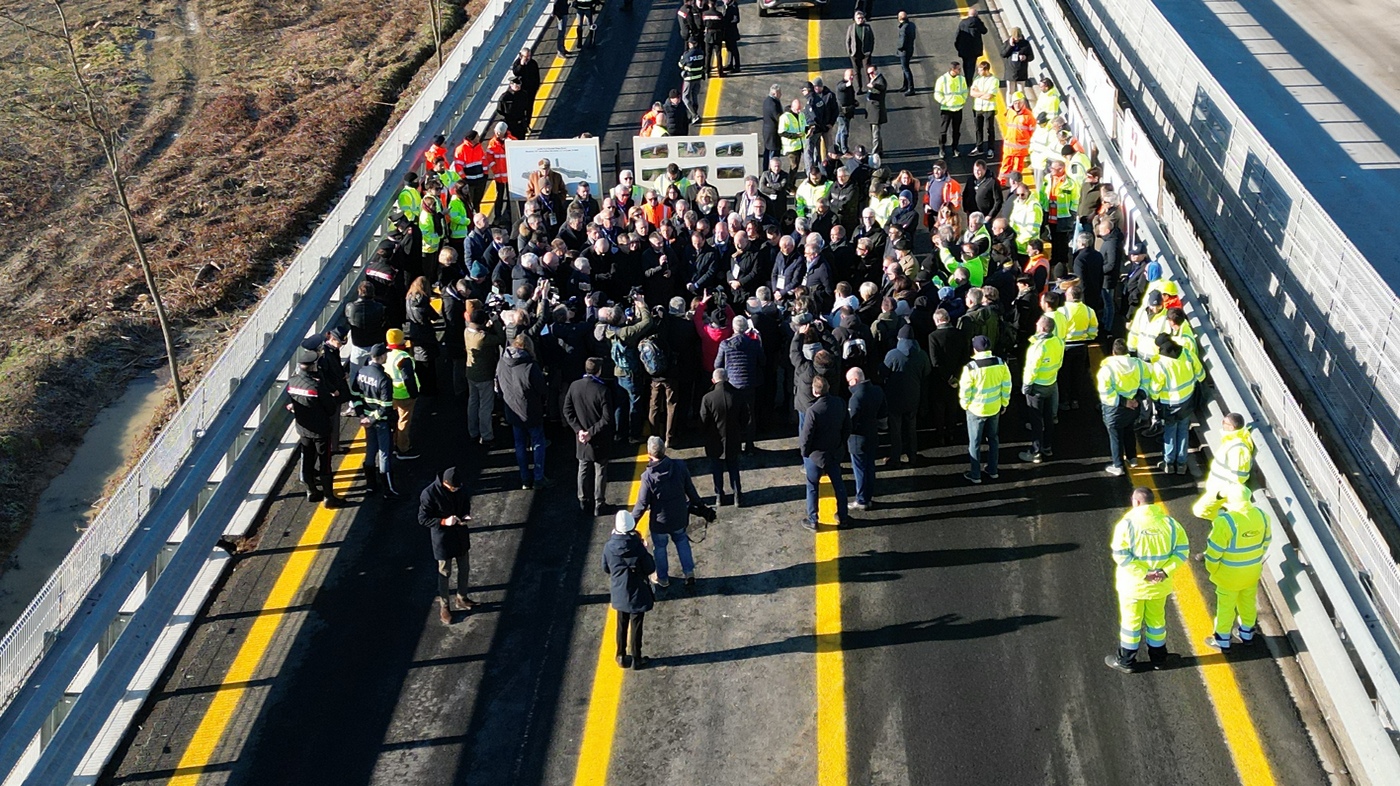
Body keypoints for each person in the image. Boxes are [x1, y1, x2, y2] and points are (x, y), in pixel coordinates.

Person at [1106, 487, 1189, 673]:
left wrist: (1143, 573)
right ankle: (1159, 659)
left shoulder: (1126, 525)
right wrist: (1164, 572)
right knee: (1157, 622)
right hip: (1159, 586)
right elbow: (1182, 551)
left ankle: (1126, 661)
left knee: (1131, 623)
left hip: (1132, 586)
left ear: (1136, 502)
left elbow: (1121, 555)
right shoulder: (1171, 524)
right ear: (1153, 502)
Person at [1201, 485, 1271, 651]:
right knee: (1248, 602)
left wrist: (1212, 569)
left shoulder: (1225, 521)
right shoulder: (1262, 516)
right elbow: (1266, 542)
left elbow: (1213, 553)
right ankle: (1247, 633)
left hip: (1228, 575)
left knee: (1226, 607)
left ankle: (1222, 640)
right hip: (1252, 571)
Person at [632, 437, 706, 589]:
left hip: (660, 522)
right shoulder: (679, 466)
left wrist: (630, 524)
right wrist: (701, 507)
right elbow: (690, 489)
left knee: (660, 548)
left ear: (649, 453)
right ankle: (689, 572)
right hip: (679, 516)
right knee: (682, 541)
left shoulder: (648, 477)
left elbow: (642, 504)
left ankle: (663, 578)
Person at [419, 466, 477, 625]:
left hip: (459, 534)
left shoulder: (460, 488)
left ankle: (462, 597)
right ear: (445, 483)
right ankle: (444, 606)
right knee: (445, 572)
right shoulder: (429, 493)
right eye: (453, 488)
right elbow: (423, 519)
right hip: (443, 537)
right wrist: (443, 521)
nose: (456, 490)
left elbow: (465, 502)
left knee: (464, 567)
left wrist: (465, 515)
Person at [287, 347, 341, 507]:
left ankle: (311, 491)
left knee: (307, 460)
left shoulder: (292, 383)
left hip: (303, 429)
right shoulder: (316, 386)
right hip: (321, 430)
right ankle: (329, 497)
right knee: (324, 462)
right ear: (313, 366)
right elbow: (330, 408)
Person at [603, 511, 655, 670]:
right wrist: (645, 550)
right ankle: (637, 658)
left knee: (621, 624)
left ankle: (620, 655)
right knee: (636, 625)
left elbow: (606, 568)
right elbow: (649, 568)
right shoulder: (638, 547)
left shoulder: (609, 547)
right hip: (637, 592)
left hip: (620, 591)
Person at [798, 375, 851, 531]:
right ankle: (843, 516)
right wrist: (841, 445)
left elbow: (806, 436)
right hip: (834, 453)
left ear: (815, 391)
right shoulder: (840, 403)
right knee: (839, 485)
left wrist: (805, 453)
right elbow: (847, 427)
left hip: (816, 456)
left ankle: (813, 519)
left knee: (813, 487)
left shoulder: (813, 411)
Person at [499, 334, 552, 490]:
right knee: (537, 442)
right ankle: (538, 477)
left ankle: (524, 479)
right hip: (530, 410)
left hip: (512, 409)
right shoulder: (530, 365)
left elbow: (499, 381)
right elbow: (542, 389)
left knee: (519, 444)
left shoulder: (502, 361)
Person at [564, 357, 615, 515]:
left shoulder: (574, 386)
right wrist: (590, 433)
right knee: (600, 470)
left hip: (581, 439)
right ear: (599, 371)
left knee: (583, 468)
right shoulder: (603, 390)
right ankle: (599, 503)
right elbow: (607, 418)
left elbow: (567, 411)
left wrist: (579, 430)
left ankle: (583, 500)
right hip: (599, 438)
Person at [958, 334, 1010, 483]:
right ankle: (993, 470)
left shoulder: (971, 368)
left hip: (976, 410)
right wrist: (1004, 403)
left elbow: (965, 390)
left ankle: (976, 474)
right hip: (994, 408)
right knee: (993, 439)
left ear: (975, 349)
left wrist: (965, 405)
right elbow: (1006, 385)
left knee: (974, 442)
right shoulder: (1001, 363)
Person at [353, 343, 399, 498]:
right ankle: (388, 488)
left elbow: (355, 395)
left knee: (370, 450)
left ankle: (371, 485)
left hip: (366, 419)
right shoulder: (384, 379)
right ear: (381, 357)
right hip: (380, 421)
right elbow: (386, 406)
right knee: (384, 453)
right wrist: (372, 419)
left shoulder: (361, 372)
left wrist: (362, 416)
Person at [714, 315, 764, 452]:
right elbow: (762, 361)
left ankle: (734, 446)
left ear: (733, 328)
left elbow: (717, 365)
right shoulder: (754, 344)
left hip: (732, 384)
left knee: (733, 416)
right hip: (749, 384)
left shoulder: (725, 344)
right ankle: (749, 446)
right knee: (749, 416)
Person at [1192, 413, 1255, 520]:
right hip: (1218, 488)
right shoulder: (1232, 439)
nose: (1222, 425)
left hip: (1221, 490)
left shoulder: (1238, 448)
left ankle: (1225, 522)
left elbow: (1239, 477)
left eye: (1224, 423)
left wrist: (1223, 493)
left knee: (1200, 510)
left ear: (1231, 427)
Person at [1149, 334, 1197, 475]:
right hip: (1187, 400)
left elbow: (1155, 387)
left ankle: (1169, 463)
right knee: (1183, 430)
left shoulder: (1161, 364)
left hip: (1170, 404)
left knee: (1170, 431)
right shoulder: (1187, 353)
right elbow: (1200, 372)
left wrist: (1154, 398)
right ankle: (1181, 463)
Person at [1097, 339, 1145, 475]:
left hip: (1115, 409)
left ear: (1113, 352)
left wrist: (1124, 402)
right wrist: (1138, 398)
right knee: (1129, 431)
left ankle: (1118, 466)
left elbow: (1106, 392)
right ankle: (1132, 458)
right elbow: (1146, 381)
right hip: (1134, 407)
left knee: (1116, 437)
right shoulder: (1139, 364)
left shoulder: (1107, 369)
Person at [1019, 316, 1063, 463]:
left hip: (1037, 387)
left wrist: (1026, 385)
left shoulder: (1038, 346)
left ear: (1043, 328)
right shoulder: (1057, 341)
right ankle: (1047, 447)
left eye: (1038, 324)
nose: (1036, 325)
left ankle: (1036, 452)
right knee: (1048, 417)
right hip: (1050, 383)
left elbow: (1032, 368)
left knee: (1036, 420)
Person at [700, 368, 747, 506]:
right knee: (733, 467)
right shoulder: (737, 395)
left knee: (716, 468)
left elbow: (703, 421)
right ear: (727, 379)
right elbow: (745, 417)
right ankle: (737, 495)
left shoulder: (708, 398)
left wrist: (705, 435)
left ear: (713, 381)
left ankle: (719, 495)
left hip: (714, 440)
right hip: (733, 438)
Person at [846, 367, 886, 510]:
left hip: (858, 440)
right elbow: (882, 415)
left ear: (855, 380)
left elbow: (851, 423)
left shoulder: (855, 398)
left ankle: (861, 500)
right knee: (870, 467)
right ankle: (868, 497)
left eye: (849, 382)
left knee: (860, 470)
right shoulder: (877, 391)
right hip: (872, 435)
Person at [384, 328, 421, 460]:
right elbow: (408, 378)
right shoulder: (403, 358)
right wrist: (414, 394)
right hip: (405, 395)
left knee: (395, 421)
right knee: (404, 422)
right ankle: (403, 449)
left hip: (392, 393)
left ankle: (394, 443)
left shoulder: (388, 355)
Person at [933, 62, 969, 158]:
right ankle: (942, 148)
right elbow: (937, 94)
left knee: (956, 130)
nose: (960, 71)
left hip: (958, 108)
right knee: (943, 130)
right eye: (958, 69)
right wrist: (945, 101)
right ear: (952, 70)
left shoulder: (962, 79)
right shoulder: (942, 79)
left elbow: (965, 92)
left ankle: (955, 148)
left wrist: (962, 100)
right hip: (946, 109)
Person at [1000, 93, 1035, 186]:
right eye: (1015, 103)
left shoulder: (1028, 116)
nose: (1017, 105)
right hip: (1009, 147)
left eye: (1019, 102)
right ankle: (1001, 182)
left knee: (1018, 168)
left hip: (1020, 148)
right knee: (1005, 165)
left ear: (1023, 102)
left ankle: (1016, 183)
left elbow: (1032, 132)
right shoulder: (1010, 112)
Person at [969, 60, 999, 158]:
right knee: (978, 128)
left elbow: (989, 96)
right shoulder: (977, 79)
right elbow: (972, 93)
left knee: (989, 129)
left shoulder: (994, 80)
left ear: (986, 70)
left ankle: (991, 148)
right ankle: (979, 147)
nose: (978, 72)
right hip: (978, 107)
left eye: (980, 70)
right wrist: (983, 93)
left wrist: (978, 93)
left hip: (989, 108)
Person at [1000, 27, 1034, 102]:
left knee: (1021, 92)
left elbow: (1031, 57)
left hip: (1021, 72)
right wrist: (1010, 45)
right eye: (1015, 38)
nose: (1017, 39)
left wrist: (1025, 57)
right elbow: (1003, 54)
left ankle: (1021, 106)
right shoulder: (1007, 43)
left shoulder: (1025, 44)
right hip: (1010, 71)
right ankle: (1009, 106)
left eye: (1018, 37)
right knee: (1010, 91)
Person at [954, 7, 988, 81]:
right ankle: (969, 79)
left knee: (965, 63)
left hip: (964, 48)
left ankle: (966, 77)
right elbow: (984, 31)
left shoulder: (962, 23)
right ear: (976, 15)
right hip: (974, 48)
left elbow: (957, 35)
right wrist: (979, 20)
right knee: (972, 64)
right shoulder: (977, 22)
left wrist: (958, 46)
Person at [680, 37, 707, 123]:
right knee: (695, 95)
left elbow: (680, 64)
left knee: (685, 97)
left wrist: (684, 66)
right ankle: (695, 112)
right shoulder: (701, 53)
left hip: (689, 78)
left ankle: (694, 115)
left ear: (690, 44)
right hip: (698, 77)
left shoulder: (687, 54)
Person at [846, 12, 875, 91]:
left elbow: (872, 40)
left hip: (865, 53)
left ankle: (869, 87)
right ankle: (859, 88)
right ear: (855, 19)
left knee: (867, 71)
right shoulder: (851, 28)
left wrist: (870, 51)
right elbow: (848, 40)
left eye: (862, 18)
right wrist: (850, 52)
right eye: (858, 18)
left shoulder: (867, 27)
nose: (860, 20)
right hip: (855, 53)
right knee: (856, 71)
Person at [866, 65, 889, 161]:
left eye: (872, 72)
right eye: (869, 73)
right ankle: (880, 150)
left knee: (875, 134)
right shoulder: (874, 79)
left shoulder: (880, 80)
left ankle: (875, 152)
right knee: (876, 133)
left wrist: (873, 85)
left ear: (877, 70)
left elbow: (882, 87)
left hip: (876, 111)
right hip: (872, 111)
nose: (871, 75)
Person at [761, 85, 784, 167]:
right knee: (773, 153)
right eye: (779, 93)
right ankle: (772, 170)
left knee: (767, 152)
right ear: (775, 93)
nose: (781, 94)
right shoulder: (773, 104)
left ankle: (766, 169)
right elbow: (779, 118)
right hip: (773, 133)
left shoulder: (767, 101)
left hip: (767, 131)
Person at [895, 10, 916, 95]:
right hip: (910, 49)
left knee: (906, 69)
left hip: (904, 51)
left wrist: (899, 48)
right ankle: (906, 85)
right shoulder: (911, 25)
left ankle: (911, 88)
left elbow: (902, 41)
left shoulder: (903, 28)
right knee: (905, 68)